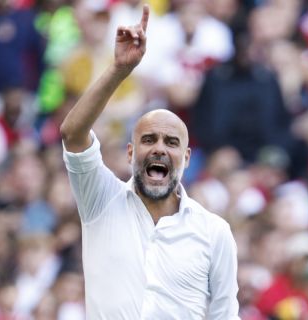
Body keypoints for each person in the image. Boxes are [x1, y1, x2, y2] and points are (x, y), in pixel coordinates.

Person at [60, 4, 240, 319]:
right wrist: (119, 69)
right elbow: (73, 134)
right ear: (130, 153)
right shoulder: (101, 200)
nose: (159, 149)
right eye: (148, 140)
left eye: (171, 143)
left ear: (186, 158)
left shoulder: (214, 232)